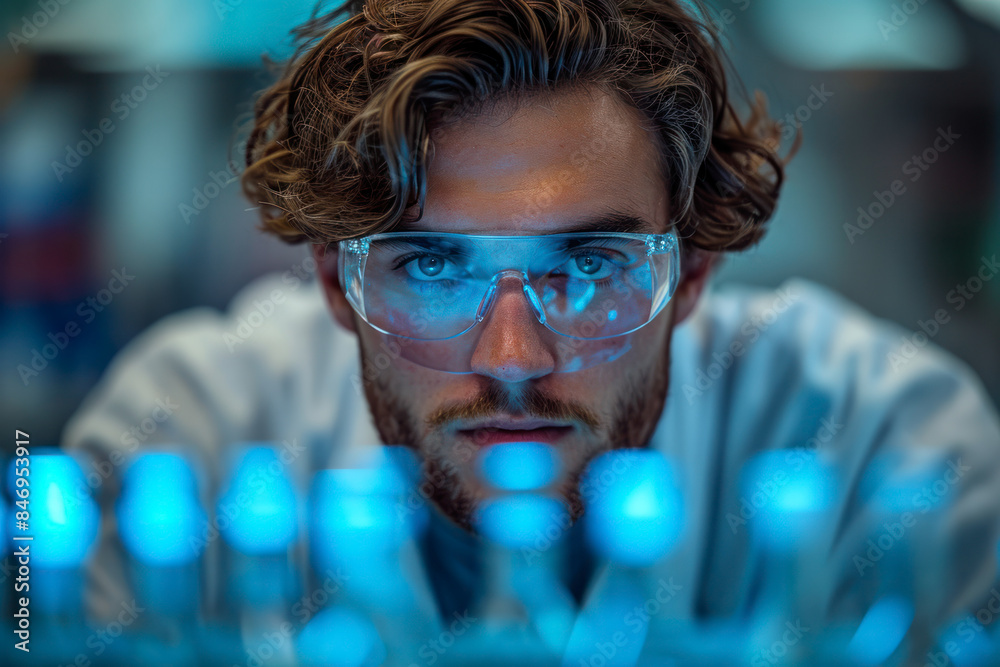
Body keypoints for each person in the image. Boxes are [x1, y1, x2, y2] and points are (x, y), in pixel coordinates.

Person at [64, 0, 1000, 662]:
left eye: (590, 263)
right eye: (430, 267)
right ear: (334, 285)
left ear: (693, 275)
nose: (512, 356)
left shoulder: (886, 441)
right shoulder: (186, 436)